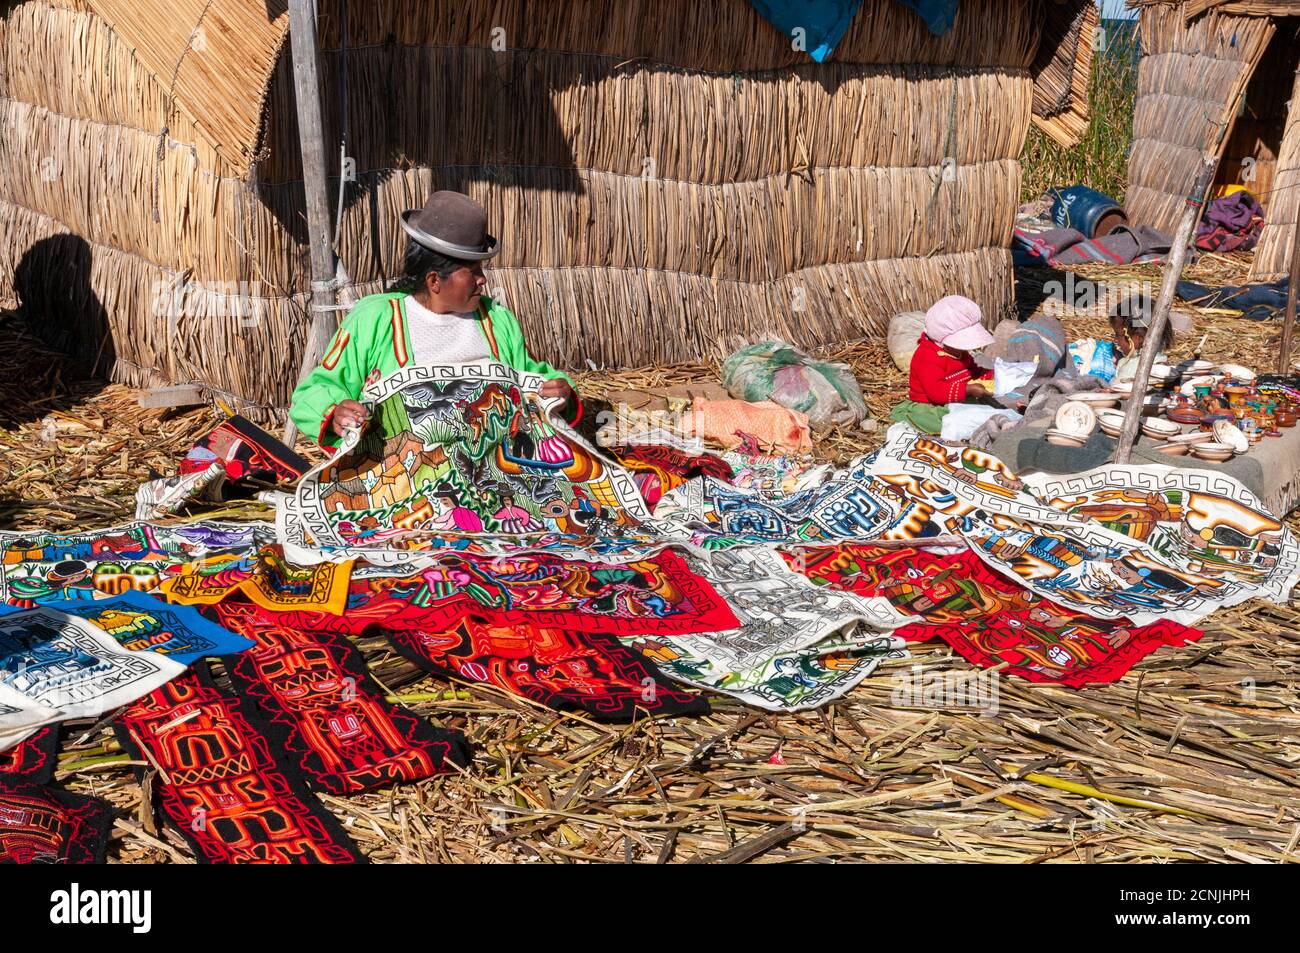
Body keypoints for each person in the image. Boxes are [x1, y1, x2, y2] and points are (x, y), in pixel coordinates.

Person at [289, 191, 580, 447]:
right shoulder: (374, 319)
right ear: (434, 280)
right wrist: (337, 410)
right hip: (408, 476)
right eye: (472, 271)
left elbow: (536, 375)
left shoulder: (496, 320)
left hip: (496, 466)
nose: (483, 280)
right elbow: (312, 393)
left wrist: (560, 391)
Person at [890, 295, 995, 434]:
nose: (965, 347)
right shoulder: (927, 357)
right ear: (942, 339)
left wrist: (993, 375)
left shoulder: (959, 352)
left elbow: (972, 371)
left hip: (954, 400)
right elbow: (936, 392)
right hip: (930, 406)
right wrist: (968, 390)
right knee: (952, 423)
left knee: (984, 411)